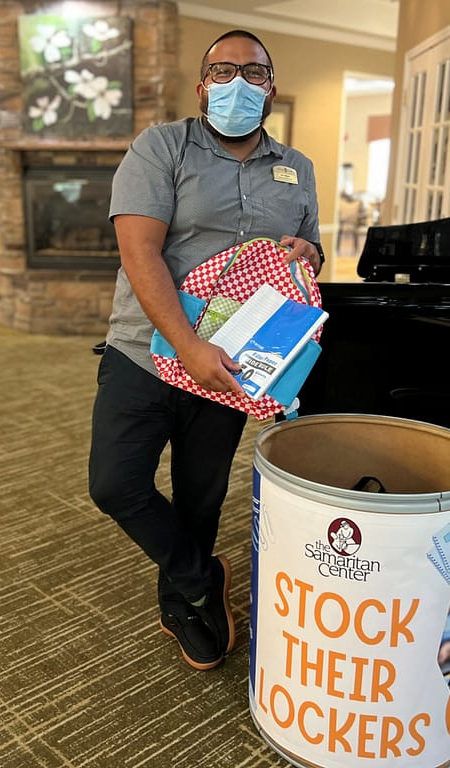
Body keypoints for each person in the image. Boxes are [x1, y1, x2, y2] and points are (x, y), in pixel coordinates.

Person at [88, 29, 323, 671]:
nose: (238, 82)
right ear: (202, 86)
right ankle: (200, 578)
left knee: (201, 494)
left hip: (233, 364)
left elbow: (310, 249)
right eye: (222, 71)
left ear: (271, 88)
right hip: (144, 350)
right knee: (116, 484)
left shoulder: (296, 168)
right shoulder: (160, 147)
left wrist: (308, 253)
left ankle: (181, 603)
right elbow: (138, 252)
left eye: (253, 72)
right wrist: (187, 344)